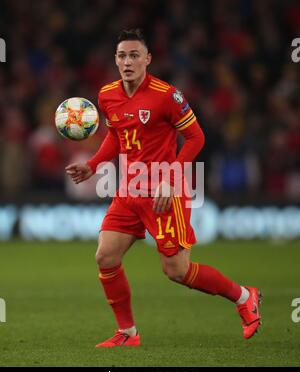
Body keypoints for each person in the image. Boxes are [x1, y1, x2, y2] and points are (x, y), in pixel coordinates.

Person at [66, 29, 262, 347]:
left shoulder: (166, 95)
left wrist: (170, 180)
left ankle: (244, 296)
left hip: (164, 191)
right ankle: (127, 333)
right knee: (105, 256)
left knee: (176, 271)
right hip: (129, 191)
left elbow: (197, 138)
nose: (127, 61)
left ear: (147, 59)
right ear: (115, 60)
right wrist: (93, 165)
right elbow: (116, 135)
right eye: (121, 56)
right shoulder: (107, 95)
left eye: (133, 55)